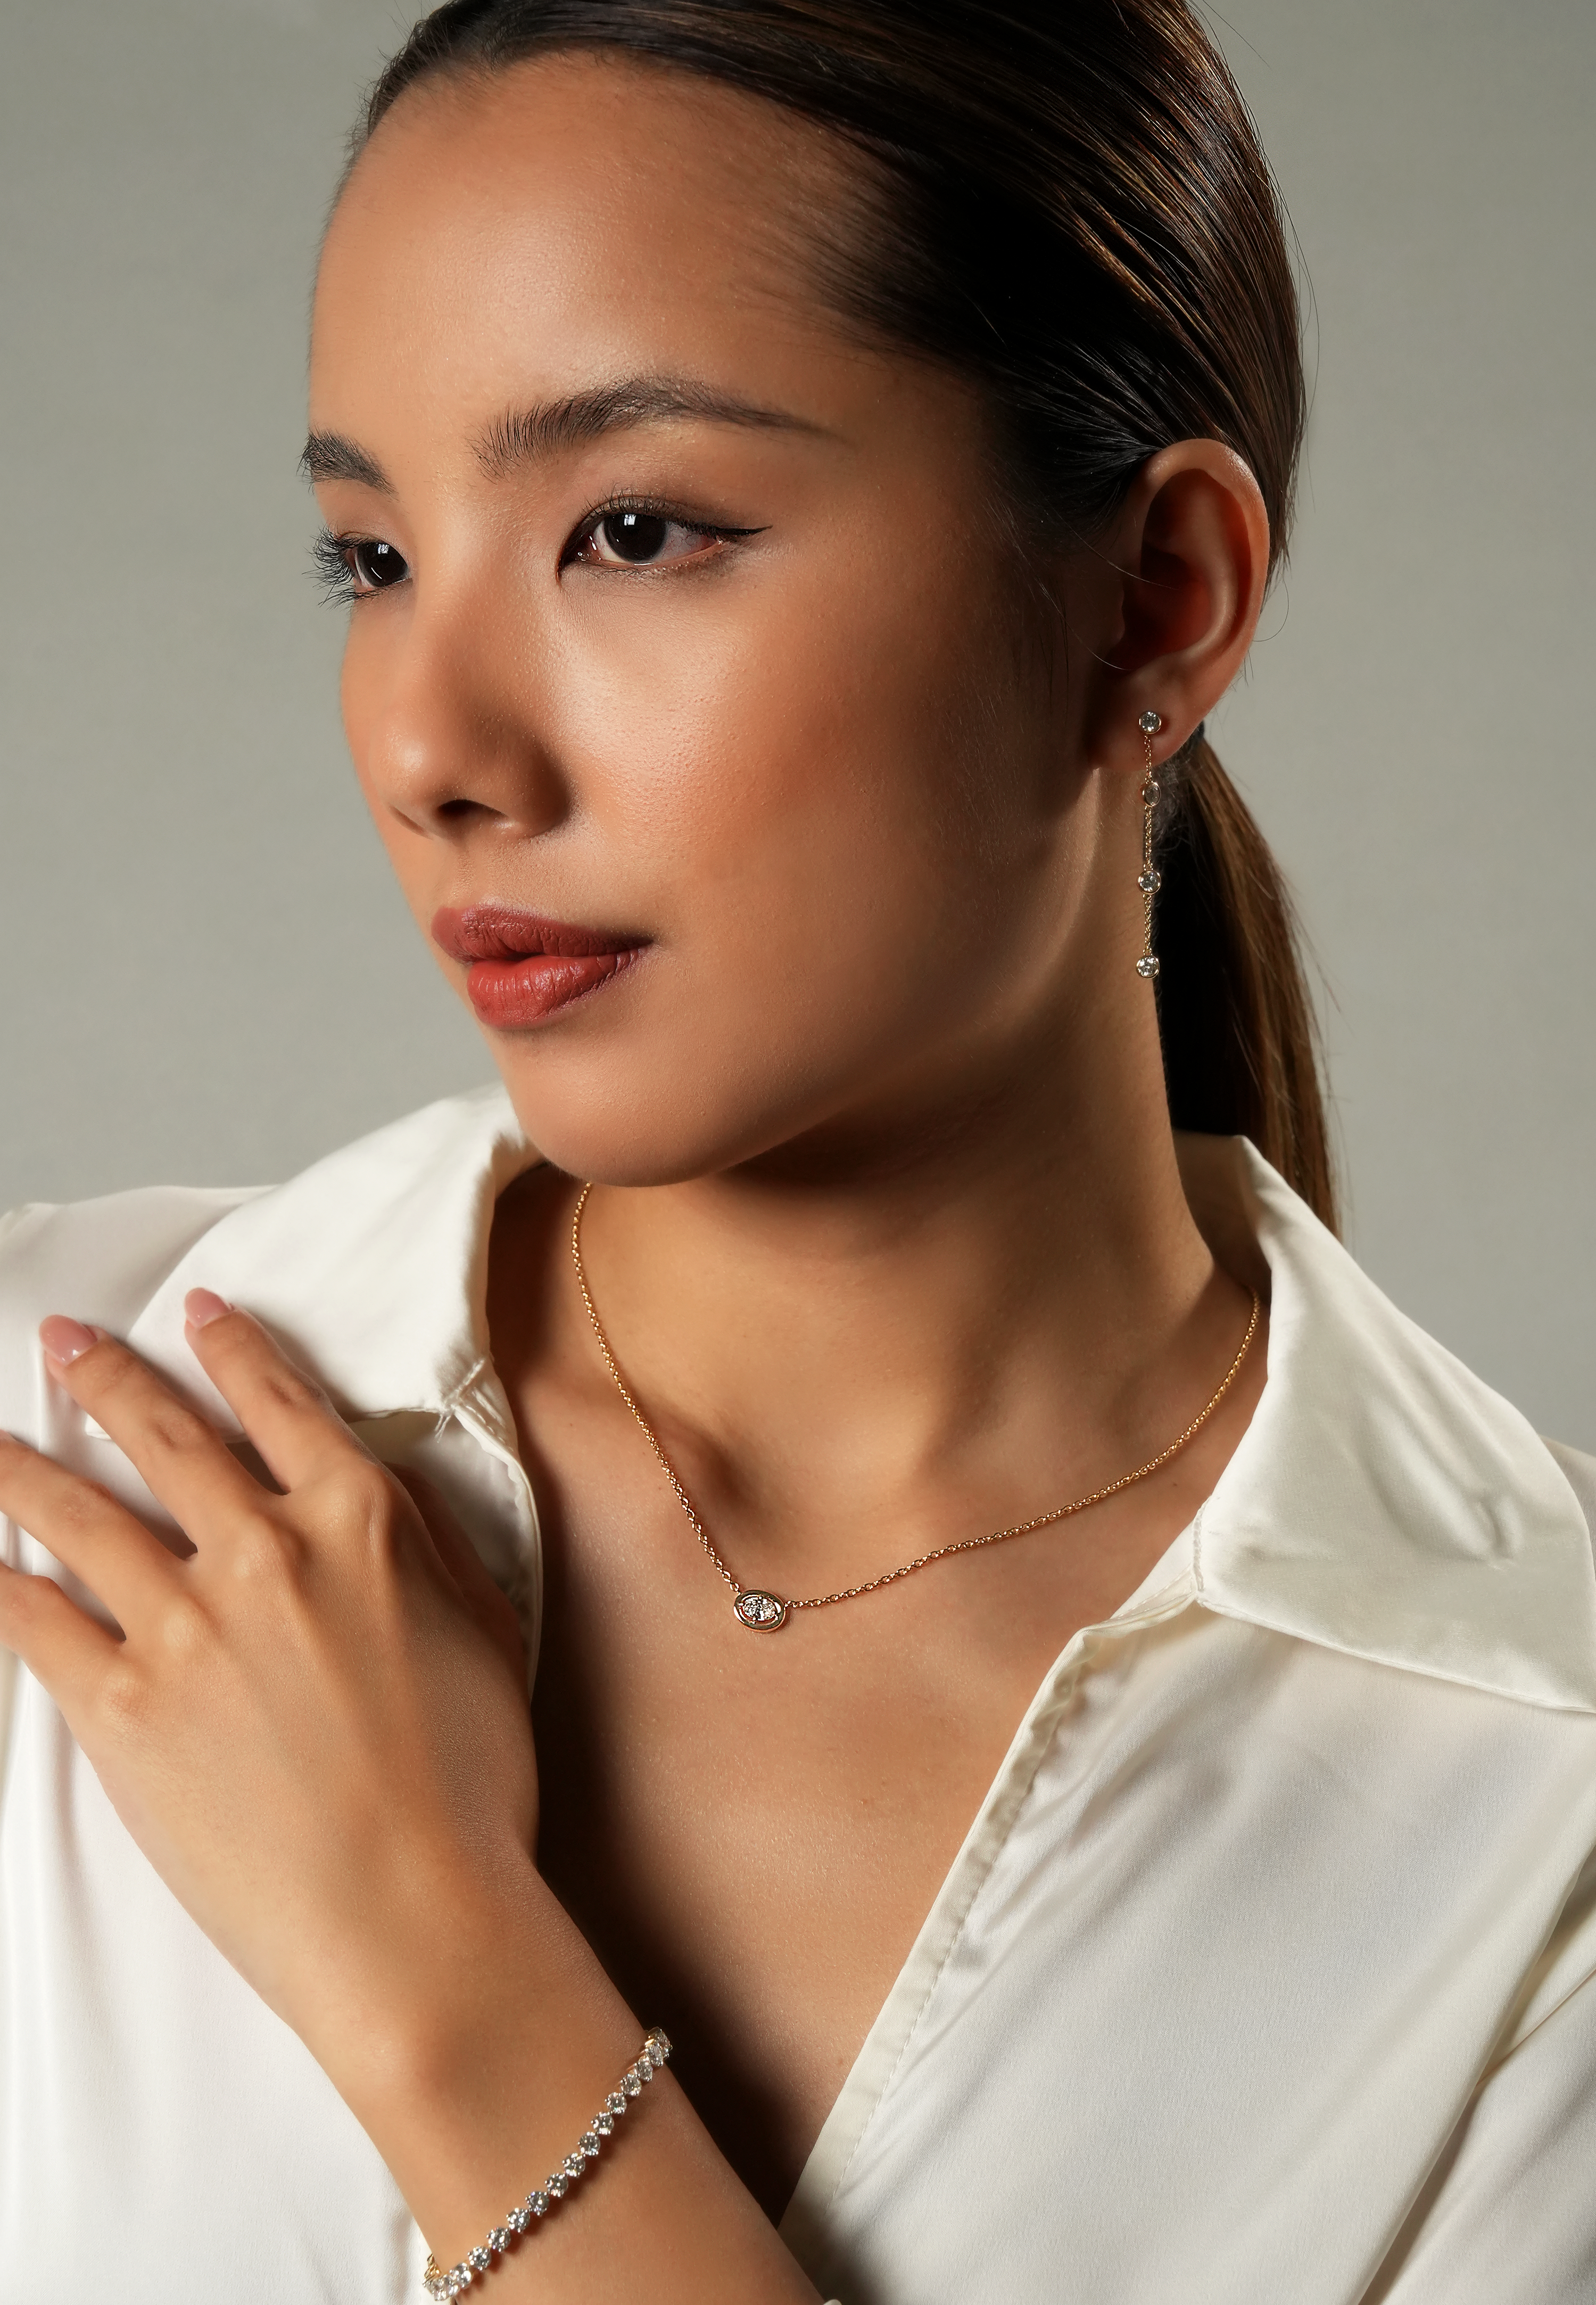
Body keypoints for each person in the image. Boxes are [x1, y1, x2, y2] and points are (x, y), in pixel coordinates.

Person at [1, 3, 1593, 2299]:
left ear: (1153, 596)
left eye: (632, 531)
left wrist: (444, 1981)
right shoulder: (60, 1436)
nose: (434, 748)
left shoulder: (1533, 1813)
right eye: (371, 557)